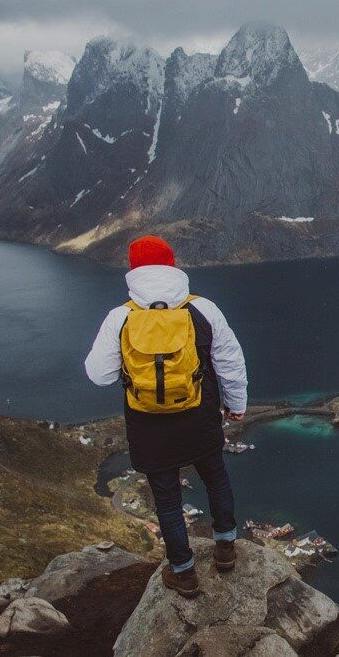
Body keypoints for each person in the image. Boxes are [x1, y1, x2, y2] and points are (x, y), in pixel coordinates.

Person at [85, 235, 248, 597]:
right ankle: (225, 549)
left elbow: (99, 375)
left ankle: (183, 571)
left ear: (133, 270)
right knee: (215, 477)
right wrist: (236, 405)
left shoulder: (121, 317)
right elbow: (230, 364)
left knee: (167, 498)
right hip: (200, 417)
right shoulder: (204, 309)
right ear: (173, 266)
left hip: (148, 427)